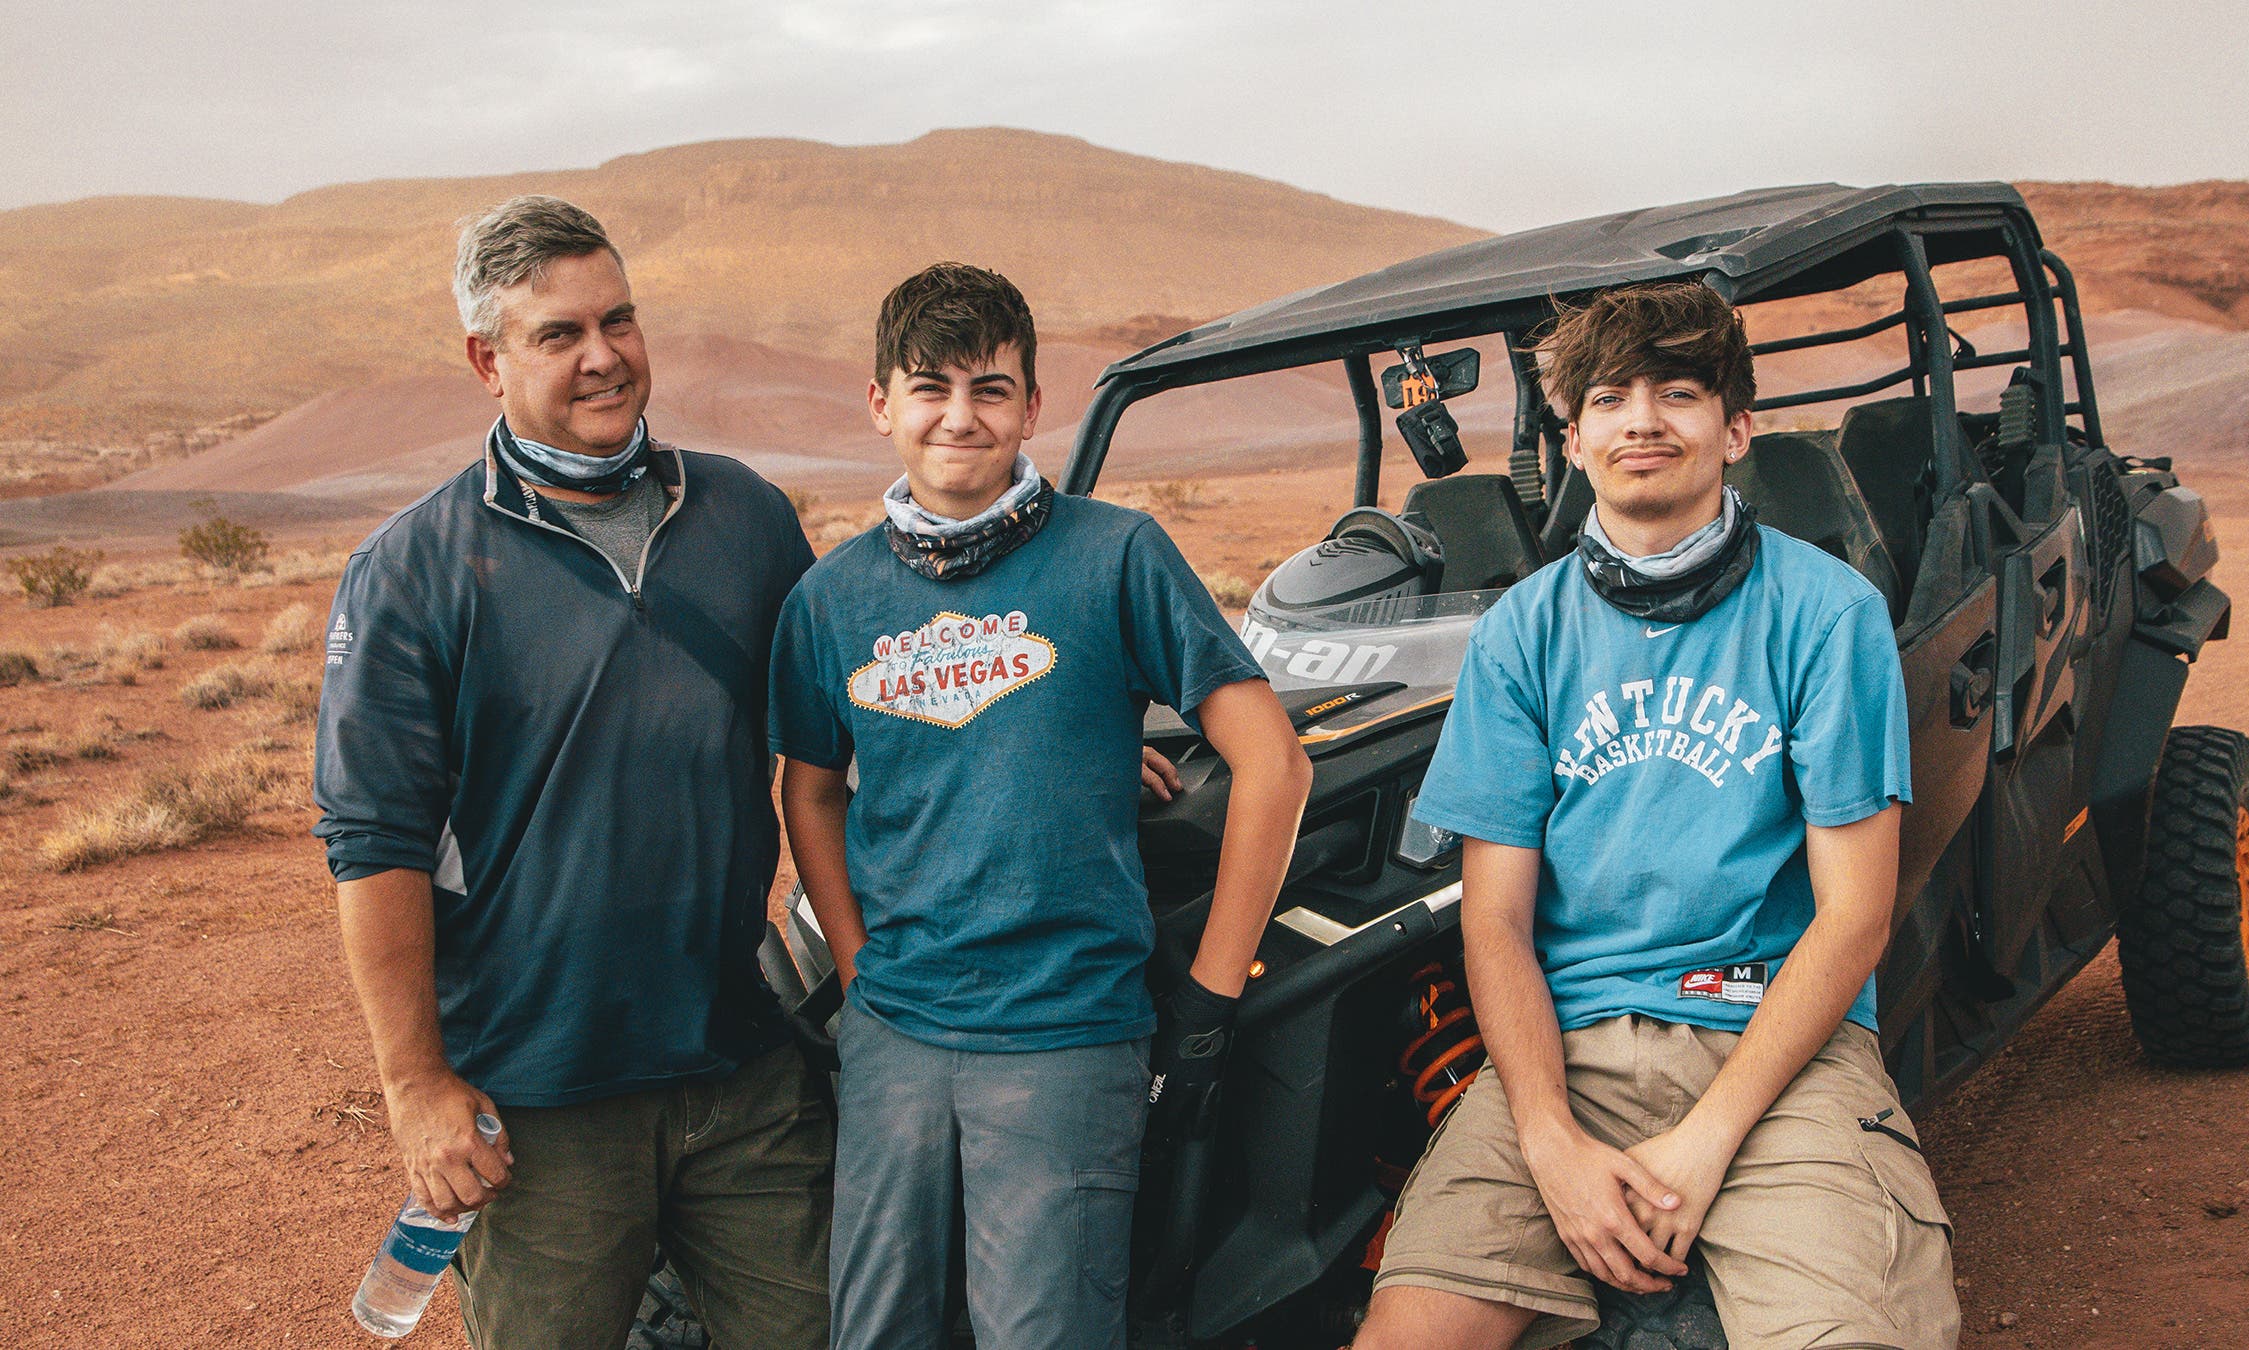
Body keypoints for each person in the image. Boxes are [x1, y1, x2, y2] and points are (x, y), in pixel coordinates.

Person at [1350, 281, 1960, 1350]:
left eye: (1678, 394)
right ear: (1574, 437)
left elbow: (1855, 913)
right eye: (1610, 399)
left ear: (1736, 430)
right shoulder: (1522, 637)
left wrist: (1708, 1140)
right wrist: (1547, 1143)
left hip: (1776, 1053)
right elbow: (1494, 923)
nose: (1643, 421)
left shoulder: (1827, 616)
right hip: (1567, 1051)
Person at [314, 195, 832, 1350]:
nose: (604, 358)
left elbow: (856, 706)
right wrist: (415, 1089)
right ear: (485, 362)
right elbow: (374, 840)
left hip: (741, 1065)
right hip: (538, 1107)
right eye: (559, 335)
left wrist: (1086, 734)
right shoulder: (413, 571)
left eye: (620, 320)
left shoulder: (742, 514)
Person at [769, 261, 1315, 1349]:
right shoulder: (830, 600)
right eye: (929, 389)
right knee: (879, 1331)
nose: (958, 418)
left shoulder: (1116, 557)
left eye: (989, 389)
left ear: (1032, 403)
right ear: (881, 403)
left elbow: (1275, 766)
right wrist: (855, 958)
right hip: (895, 1035)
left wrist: (1210, 993)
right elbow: (810, 790)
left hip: (1067, 1033)